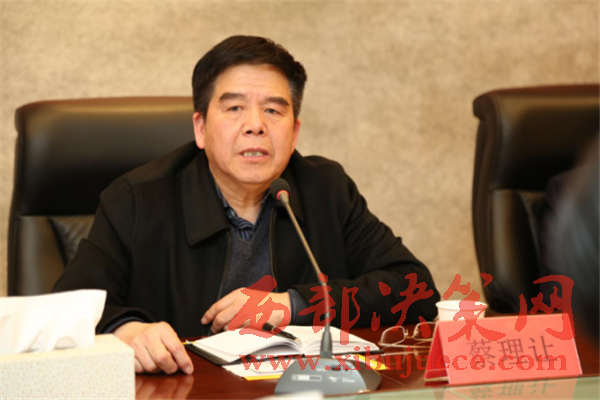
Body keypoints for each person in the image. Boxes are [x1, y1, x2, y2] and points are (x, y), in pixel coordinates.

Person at [53, 35, 440, 375]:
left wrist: (292, 305)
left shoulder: (326, 189)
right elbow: (67, 308)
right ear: (201, 128)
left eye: (273, 110)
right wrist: (128, 331)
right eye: (234, 108)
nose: (255, 125)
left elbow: (417, 290)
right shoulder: (138, 198)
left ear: (294, 132)